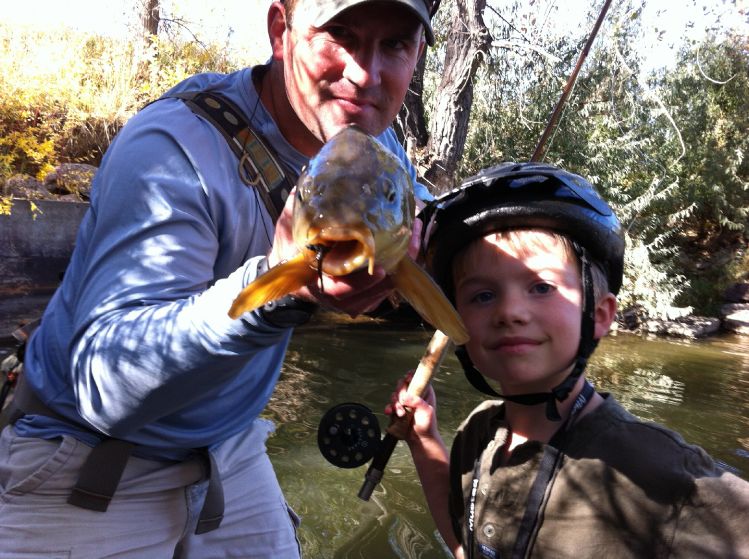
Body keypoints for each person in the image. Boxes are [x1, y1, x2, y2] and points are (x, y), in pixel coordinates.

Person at [0, 0, 440, 556]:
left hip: (225, 451)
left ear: (416, 53)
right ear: (281, 31)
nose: (364, 74)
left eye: (394, 45)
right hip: (82, 456)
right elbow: (104, 391)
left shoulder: (373, 145)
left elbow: (425, 219)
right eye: (341, 35)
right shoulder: (173, 152)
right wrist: (280, 292)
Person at [388, 162, 749, 559]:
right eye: (482, 296)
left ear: (599, 315)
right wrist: (424, 442)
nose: (509, 311)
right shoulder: (478, 432)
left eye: (541, 287)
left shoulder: (662, 469)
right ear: (456, 321)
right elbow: (465, 545)